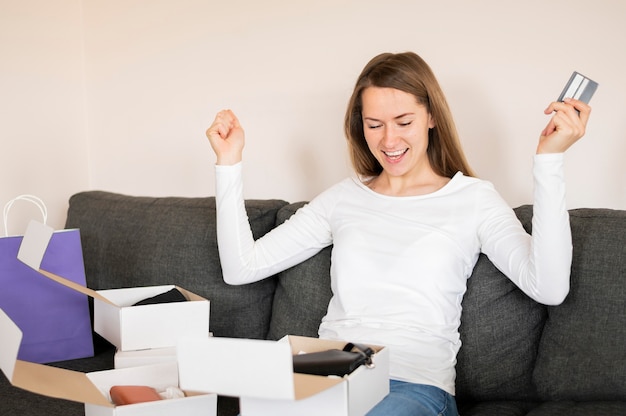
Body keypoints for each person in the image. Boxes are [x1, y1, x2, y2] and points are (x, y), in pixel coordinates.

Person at [205, 52, 591, 416]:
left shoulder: (473, 199)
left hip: (414, 382)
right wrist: (228, 164)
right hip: (327, 364)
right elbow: (242, 267)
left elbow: (549, 286)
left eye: (403, 122)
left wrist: (550, 160)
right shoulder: (344, 198)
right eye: (374, 125)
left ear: (431, 117)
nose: (389, 142)